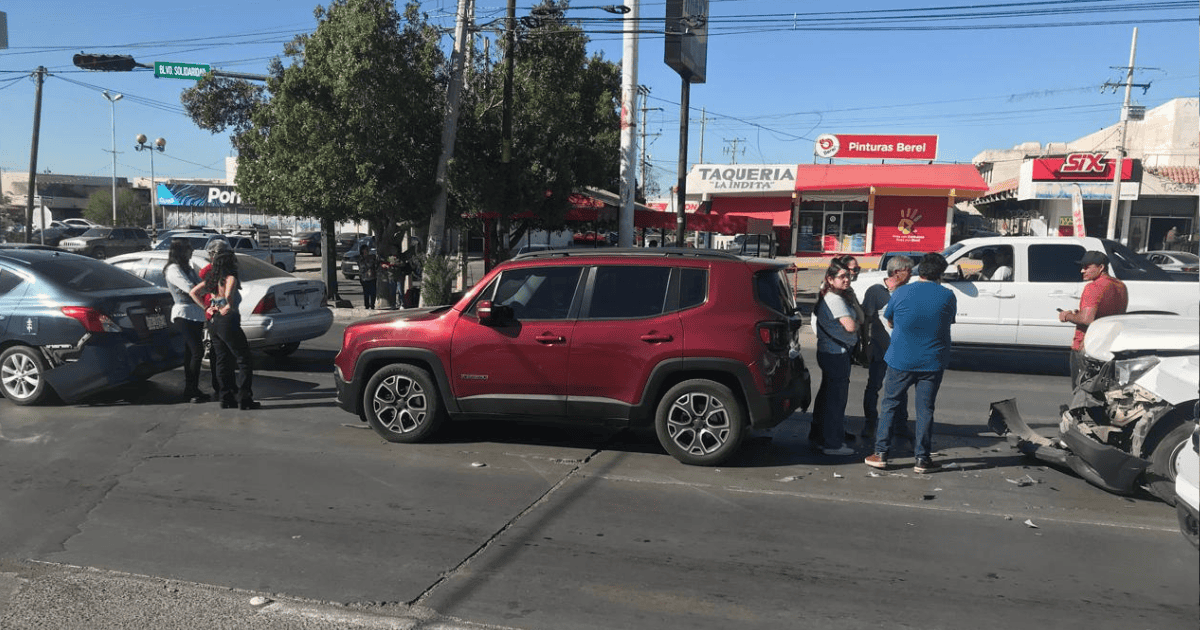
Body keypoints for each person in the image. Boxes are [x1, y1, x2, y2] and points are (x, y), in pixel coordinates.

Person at [864, 252, 956, 473]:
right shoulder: (948, 295)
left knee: (889, 404)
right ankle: (922, 459)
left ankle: (881, 453)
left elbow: (890, 319)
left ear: (920, 270)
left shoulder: (901, 291)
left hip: (901, 358)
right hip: (933, 361)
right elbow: (947, 321)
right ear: (940, 274)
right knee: (925, 409)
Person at [191, 248, 260, 410]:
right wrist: (227, 304)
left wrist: (208, 307)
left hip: (213, 322)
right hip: (228, 320)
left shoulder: (212, 278)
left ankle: (226, 397)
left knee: (222, 359)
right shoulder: (230, 277)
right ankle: (244, 398)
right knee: (244, 359)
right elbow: (228, 295)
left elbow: (193, 292)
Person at [808, 258, 864, 456]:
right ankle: (832, 444)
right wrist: (856, 325)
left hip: (833, 353)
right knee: (835, 401)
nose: (847, 279)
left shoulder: (840, 297)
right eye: (842, 277)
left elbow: (860, 317)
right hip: (836, 355)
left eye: (848, 276)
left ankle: (821, 437)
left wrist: (853, 302)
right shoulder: (834, 299)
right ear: (830, 280)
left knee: (827, 399)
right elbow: (851, 326)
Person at [859, 255, 916, 446]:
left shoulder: (908, 291)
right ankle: (870, 423)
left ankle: (900, 425)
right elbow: (866, 319)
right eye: (908, 270)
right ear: (897, 272)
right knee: (874, 386)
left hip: (900, 350)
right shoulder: (876, 291)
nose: (911, 274)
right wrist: (865, 344)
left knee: (901, 389)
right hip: (879, 348)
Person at [1058, 250, 1128, 386]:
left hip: (1087, 347)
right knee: (1105, 392)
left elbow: (1086, 319)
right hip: (1110, 346)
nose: (1082, 271)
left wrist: (1067, 315)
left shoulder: (1094, 287)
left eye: (1087, 267)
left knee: (1083, 391)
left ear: (1101, 268)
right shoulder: (1120, 286)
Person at [163, 238, 210, 404]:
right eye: (188, 249)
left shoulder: (188, 268)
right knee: (197, 351)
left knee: (191, 352)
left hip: (195, 313)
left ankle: (192, 388)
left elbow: (200, 285)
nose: (191, 252)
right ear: (180, 251)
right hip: (184, 313)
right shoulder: (173, 269)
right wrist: (205, 305)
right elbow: (191, 289)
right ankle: (190, 390)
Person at [358, 244, 379, 309]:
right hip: (365, 278)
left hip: (372, 277)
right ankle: (366, 306)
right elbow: (361, 267)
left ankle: (372, 305)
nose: (367, 251)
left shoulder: (372, 257)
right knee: (366, 293)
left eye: (367, 249)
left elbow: (376, 264)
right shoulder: (361, 259)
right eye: (365, 250)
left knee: (373, 292)